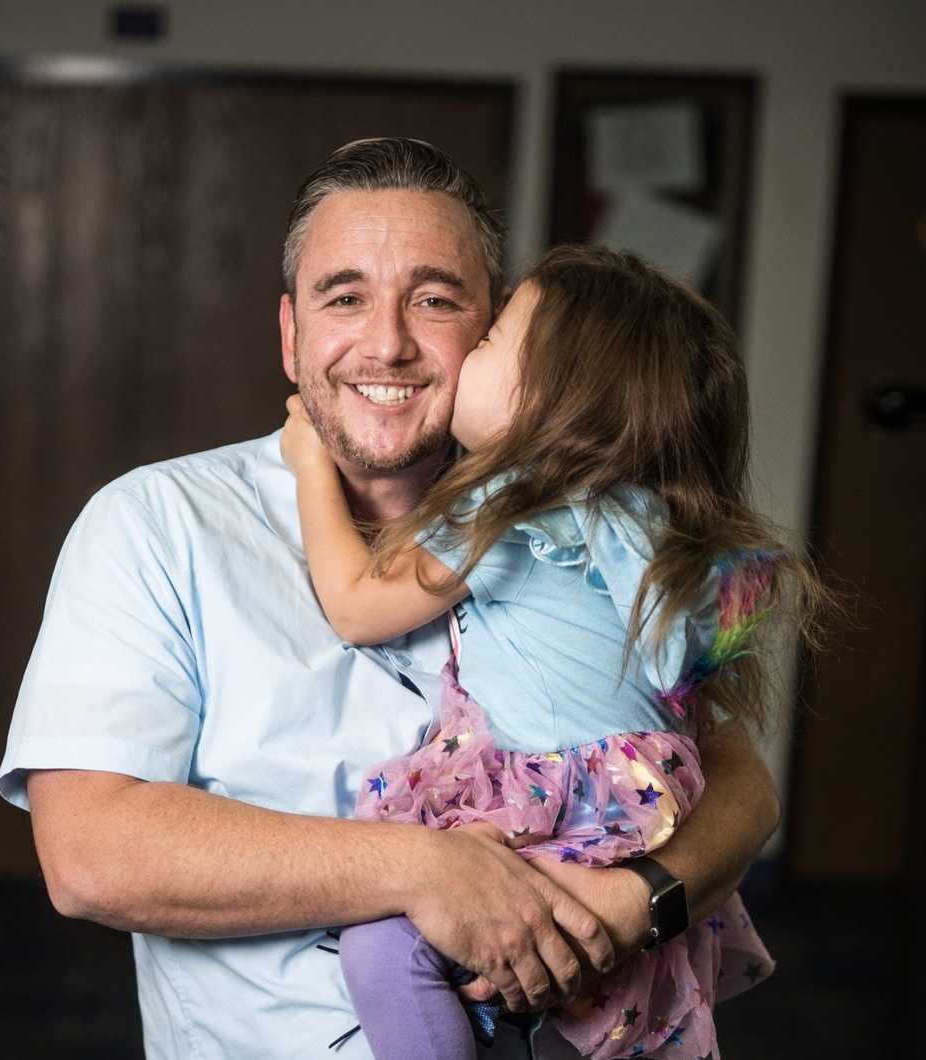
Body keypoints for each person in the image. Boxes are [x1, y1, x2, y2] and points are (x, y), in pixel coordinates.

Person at [0, 139, 781, 1060]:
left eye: (437, 300)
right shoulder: (153, 523)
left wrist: (637, 900)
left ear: (494, 334)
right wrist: (421, 871)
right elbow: (91, 854)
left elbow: (738, 780)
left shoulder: (569, 510)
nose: (389, 343)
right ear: (292, 336)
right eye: (345, 297)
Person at [280, 243, 823, 1059]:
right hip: (641, 801)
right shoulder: (636, 515)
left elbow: (358, 606)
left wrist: (308, 463)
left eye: (491, 338)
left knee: (385, 951)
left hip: (559, 797)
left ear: (551, 400)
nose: (469, 356)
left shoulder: (514, 504)